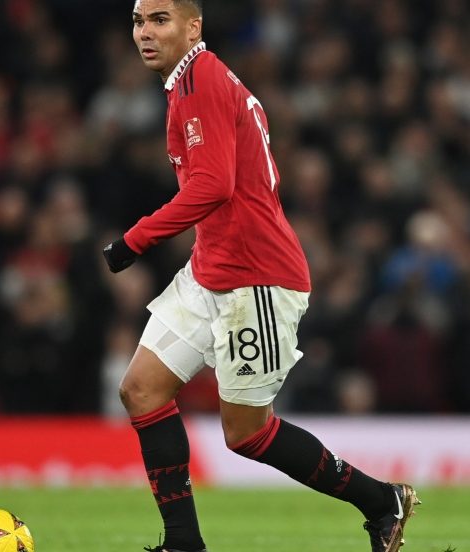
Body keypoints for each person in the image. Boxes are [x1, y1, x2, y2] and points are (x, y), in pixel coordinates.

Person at [102, 1, 420, 551]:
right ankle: (183, 543)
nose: (145, 32)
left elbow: (213, 185)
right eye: (138, 21)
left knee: (247, 434)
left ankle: (380, 500)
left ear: (193, 26)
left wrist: (136, 239)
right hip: (211, 269)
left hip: (257, 279)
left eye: (159, 19)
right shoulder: (196, 82)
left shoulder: (200, 80)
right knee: (141, 390)